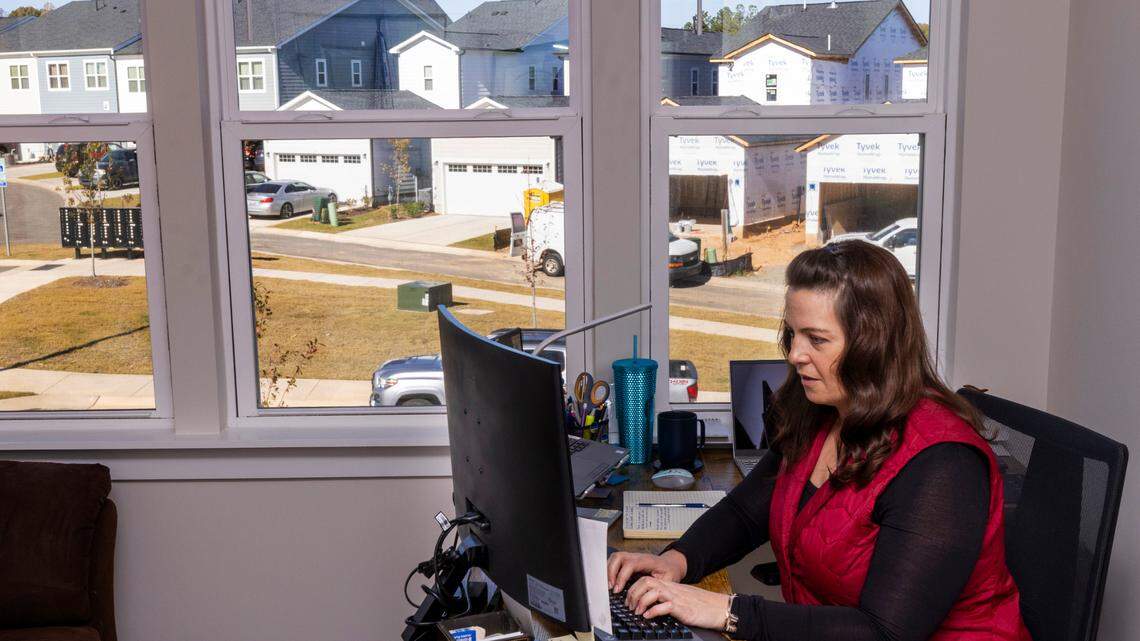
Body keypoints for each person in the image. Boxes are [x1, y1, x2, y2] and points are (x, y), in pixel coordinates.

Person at [607, 241, 1032, 641]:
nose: (794, 354)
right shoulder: (822, 411)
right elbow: (746, 513)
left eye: (817, 339)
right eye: (793, 333)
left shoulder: (943, 463)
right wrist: (676, 561)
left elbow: (885, 632)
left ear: (874, 345)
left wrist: (727, 612)